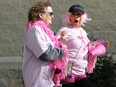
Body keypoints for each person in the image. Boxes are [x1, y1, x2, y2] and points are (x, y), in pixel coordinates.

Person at [22, 0, 68, 87]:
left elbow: (51, 49)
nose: (52, 16)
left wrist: (60, 41)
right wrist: (62, 51)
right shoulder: (35, 30)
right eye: (50, 14)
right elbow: (46, 54)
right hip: (38, 83)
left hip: (48, 82)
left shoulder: (44, 32)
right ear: (41, 15)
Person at [56, 4, 94, 87]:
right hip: (69, 68)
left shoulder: (83, 32)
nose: (76, 17)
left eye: (79, 15)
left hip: (81, 70)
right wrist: (61, 39)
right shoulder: (64, 30)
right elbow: (55, 46)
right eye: (73, 14)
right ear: (69, 17)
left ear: (82, 17)